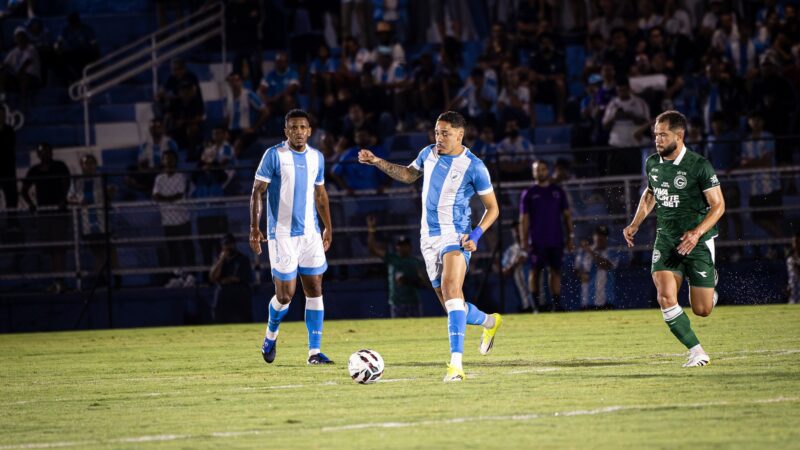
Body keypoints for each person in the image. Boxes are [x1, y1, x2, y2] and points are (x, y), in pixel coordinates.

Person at [358, 111, 502, 382]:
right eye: (437, 132)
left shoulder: (475, 166)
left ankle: (456, 367)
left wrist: (476, 235)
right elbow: (408, 175)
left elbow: (492, 208)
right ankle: (490, 321)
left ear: (460, 135)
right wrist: (377, 161)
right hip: (428, 238)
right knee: (452, 306)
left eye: (445, 133)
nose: (439, 138)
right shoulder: (428, 153)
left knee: (451, 290)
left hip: (456, 235)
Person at [623, 110, 725, 367]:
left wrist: (697, 232)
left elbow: (718, 206)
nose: (657, 139)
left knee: (702, 310)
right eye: (655, 134)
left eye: (663, 135)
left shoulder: (699, 165)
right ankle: (697, 352)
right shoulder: (652, 163)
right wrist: (635, 223)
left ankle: (710, 280)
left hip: (698, 242)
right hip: (666, 239)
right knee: (665, 297)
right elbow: (651, 193)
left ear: (679, 136)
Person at [250, 109, 334, 365]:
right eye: (293, 127)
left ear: (309, 131)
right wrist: (254, 227)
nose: (298, 131)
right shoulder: (274, 155)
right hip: (282, 235)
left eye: (303, 127)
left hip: (310, 233)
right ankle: (270, 335)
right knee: (285, 295)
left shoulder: (317, 158)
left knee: (315, 289)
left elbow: (320, 194)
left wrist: (328, 227)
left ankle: (314, 352)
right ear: (286, 131)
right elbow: (257, 191)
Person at [519, 159, 574, 312]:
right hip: (536, 240)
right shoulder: (528, 193)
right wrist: (524, 240)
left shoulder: (558, 191)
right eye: (537, 170)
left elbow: (567, 216)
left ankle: (556, 305)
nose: (540, 172)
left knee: (555, 271)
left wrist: (570, 237)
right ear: (533, 172)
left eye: (543, 169)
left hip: (556, 239)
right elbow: (524, 218)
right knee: (535, 271)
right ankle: (535, 306)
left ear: (547, 171)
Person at [21, 142, 70, 293]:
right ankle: (55, 281)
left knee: (59, 249)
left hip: (59, 213)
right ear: (38, 154)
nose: (44, 153)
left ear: (51, 151)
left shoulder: (60, 166)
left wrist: (63, 200)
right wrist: (31, 205)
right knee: (50, 250)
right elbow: (24, 190)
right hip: (44, 213)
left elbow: (68, 184)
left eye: (47, 150)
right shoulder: (34, 170)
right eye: (41, 151)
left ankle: (60, 281)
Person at [67, 153, 119, 287]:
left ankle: (116, 278)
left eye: (92, 163)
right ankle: (100, 280)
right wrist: (78, 201)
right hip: (87, 224)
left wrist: (110, 193)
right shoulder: (77, 182)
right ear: (81, 165)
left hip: (104, 221)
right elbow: (69, 198)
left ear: (96, 165)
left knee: (110, 250)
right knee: (98, 253)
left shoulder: (101, 179)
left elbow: (110, 195)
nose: (89, 166)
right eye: (86, 163)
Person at [366, 215, 426, 318]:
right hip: (396, 303)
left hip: (412, 302)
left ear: (410, 247)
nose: (403, 248)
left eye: (405, 245)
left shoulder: (415, 262)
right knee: (399, 326)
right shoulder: (392, 258)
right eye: (400, 245)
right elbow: (372, 249)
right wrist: (371, 230)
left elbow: (424, 283)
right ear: (397, 247)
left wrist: (409, 280)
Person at [152, 149, 195, 279]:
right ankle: (177, 277)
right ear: (163, 161)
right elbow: (156, 196)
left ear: (175, 161)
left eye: (171, 159)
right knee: (172, 250)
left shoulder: (181, 177)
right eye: (166, 159)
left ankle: (191, 276)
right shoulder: (159, 178)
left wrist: (165, 199)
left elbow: (179, 195)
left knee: (187, 249)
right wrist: (169, 199)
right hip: (167, 221)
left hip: (182, 219)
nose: (169, 161)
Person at [574, 225, 621, 310]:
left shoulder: (612, 251)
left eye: (603, 236)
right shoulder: (583, 252)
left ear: (607, 238)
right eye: (598, 235)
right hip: (587, 301)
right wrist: (581, 274)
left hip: (606, 301)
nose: (600, 238)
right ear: (593, 236)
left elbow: (607, 265)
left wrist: (590, 251)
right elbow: (577, 270)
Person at [209, 233, 253, 323]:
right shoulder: (220, 259)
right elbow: (213, 277)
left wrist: (224, 280)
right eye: (226, 244)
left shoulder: (242, 259)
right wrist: (221, 260)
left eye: (230, 244)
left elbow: (238, 278)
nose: (228, 247)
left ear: (234, 244)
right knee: (218, 314)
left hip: (238, 291)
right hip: (223, 291)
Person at [501, 220, 532, 312]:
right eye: (515, 231)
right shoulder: (511, 250)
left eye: (519, 230)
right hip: (518, 289)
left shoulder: (532, 245)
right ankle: (526, 306)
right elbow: (504, 271)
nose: (517, 233)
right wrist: (515, 264)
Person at [787, 233, 800, 304]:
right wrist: (789, 286)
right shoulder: (790, 257)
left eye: (797, 241)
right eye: (794, 242)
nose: (796, 244)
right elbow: (791, 275)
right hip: (794, 293)